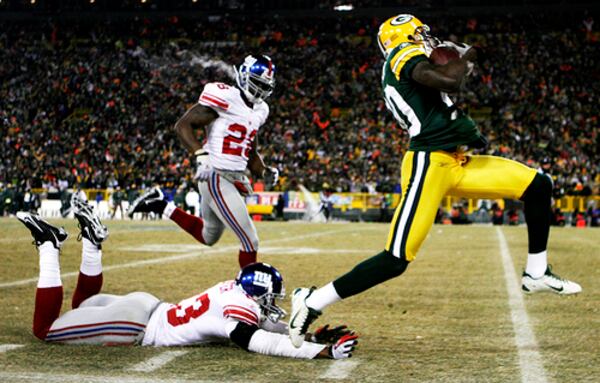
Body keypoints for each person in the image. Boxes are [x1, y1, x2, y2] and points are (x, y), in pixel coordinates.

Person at [287, 14, 582, 348]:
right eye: (420, 34)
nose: (426, 39)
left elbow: (445, 82)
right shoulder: (402, 55)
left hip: (454, 160)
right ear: (406, 36)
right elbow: (449, 81)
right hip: (428, 164)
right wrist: (467, 57)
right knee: (396, 259)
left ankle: (537, 272)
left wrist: (469, 57)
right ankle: (312, 301)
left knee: (539, 185)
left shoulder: (407, 60)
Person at [15, 204, 358, 359]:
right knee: (45, 330)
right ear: (257, 295)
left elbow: (267, 325)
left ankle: (91, 242)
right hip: (135, 325)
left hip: (145, 305)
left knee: (81, 308)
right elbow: (263, 342)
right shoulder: (238, 312)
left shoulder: (234, 290)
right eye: (270, 298)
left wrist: (309, 334)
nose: (273, 306)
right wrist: (320, 351)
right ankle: (49, 245)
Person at [128, 54, 280, 268]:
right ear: (244, 77)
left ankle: (159, 204)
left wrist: (264, 172)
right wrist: (201, 155)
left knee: (208, 235)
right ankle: (248, 294)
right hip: (215, 176)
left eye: (264, 85)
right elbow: (183, 125)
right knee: (250, 240)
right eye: (257, 83)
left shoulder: (261, 110)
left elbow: (250, 152)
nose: (260, 90)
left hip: (233, 176)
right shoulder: (226, 97)